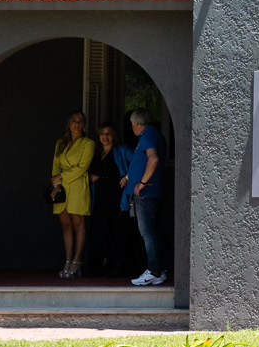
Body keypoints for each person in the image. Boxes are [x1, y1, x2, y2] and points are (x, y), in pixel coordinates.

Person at [47, 112, 95, 279]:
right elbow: (55, 166)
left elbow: (82, 167)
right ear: (69, 123)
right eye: (74, 120)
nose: (77, 123)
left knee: (78, 224)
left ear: (84, 125)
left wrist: (61, 176)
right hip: (61, 189)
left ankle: (77, 261)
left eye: (80, 121)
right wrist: (56, 185)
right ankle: (67, 260)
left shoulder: (88, 143)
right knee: (66, 225)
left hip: (78, 186)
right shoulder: (61, 143)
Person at [127, 109, 170, 288]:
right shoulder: (151, 134)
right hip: (149, 193)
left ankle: (153, 271)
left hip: (146, 194)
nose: (132, 128)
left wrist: (142, 182)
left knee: (147, 233)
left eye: (132, 125)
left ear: (136, 123)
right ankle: (159, 270)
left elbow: (153, 158)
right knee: (151, 232)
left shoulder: (148, 135)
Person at [86, 121, 135, 277]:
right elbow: (88, 170)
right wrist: (89, 177)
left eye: (109, 133)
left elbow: (138, 162)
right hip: (99, 197)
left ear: (114, 136)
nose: (105, 137)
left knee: (117, 231)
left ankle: (119, 266)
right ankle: (104, 264)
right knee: (101, 231)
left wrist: (127, 177)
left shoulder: (122, 150)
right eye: (102, 134)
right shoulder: (97, 153)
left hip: (116, 196)